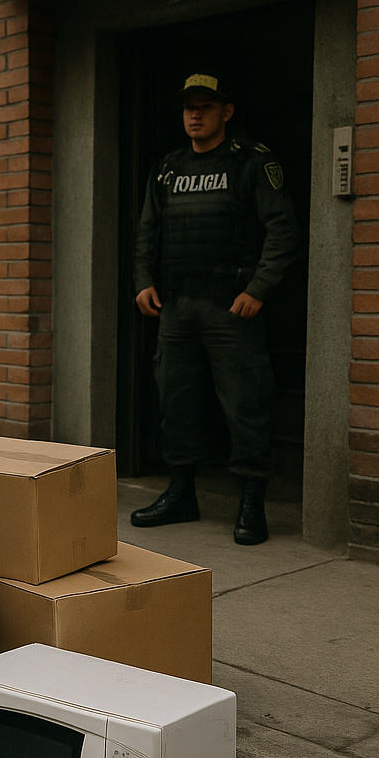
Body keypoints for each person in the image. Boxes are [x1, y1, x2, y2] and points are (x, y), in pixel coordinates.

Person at [129, 72, 300, 546]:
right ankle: (181, 493)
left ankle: (252, 502)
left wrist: (259, 289)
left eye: (205, 106)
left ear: (226, 112)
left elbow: (282, 230)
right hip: (177, 307)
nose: (195, 115)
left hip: (231, 307)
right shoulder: (168, 168)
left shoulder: (251, 161)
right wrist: (142, 281)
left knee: (246, 402)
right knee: (176, 403)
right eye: (189, 107)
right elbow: (147, 232)